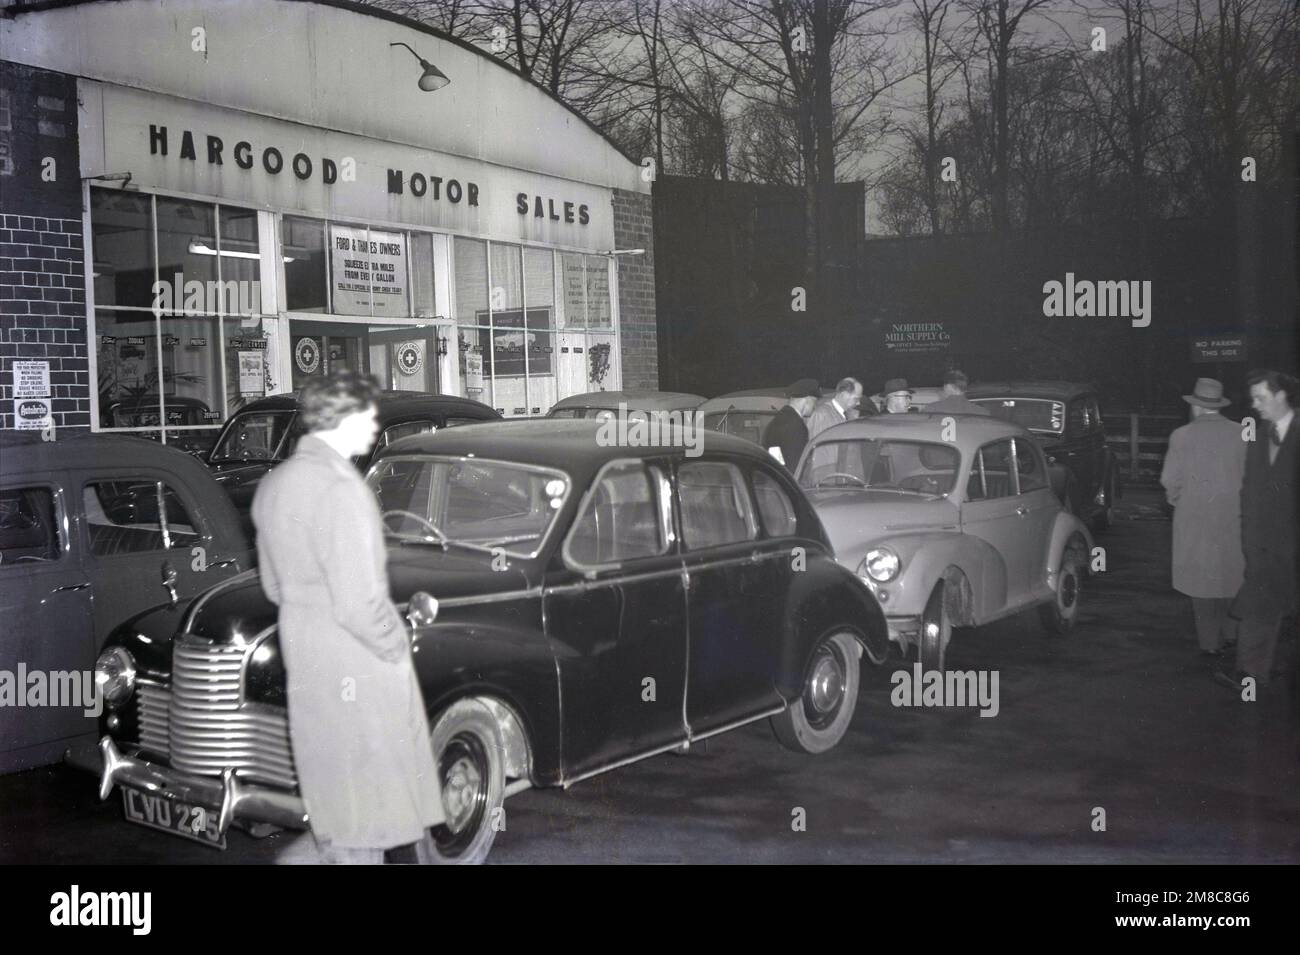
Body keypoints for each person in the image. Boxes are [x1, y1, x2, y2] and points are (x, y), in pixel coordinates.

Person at [253, 371, 444, 863]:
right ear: (343, 418)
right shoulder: (344, 490)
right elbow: (359, 603)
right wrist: (395, 644)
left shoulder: (275, 485)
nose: (375, 425)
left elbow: (274, 586)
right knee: (366, 817)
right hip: (356, 666)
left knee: (338, 810)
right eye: (368, 414)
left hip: (308, 660)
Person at [1217, 369, 1299, 691]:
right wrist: (1250, 544)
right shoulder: (1257, 436)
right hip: (1264, 547)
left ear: (1281, 395)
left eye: (1261, 398)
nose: (1255, 405)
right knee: (1258, 607)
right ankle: (1250, 675)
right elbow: (1248, 494)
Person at [1159, 379, 1246, 657]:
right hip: (1234, 518)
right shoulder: (1240, 433)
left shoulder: (1181, 436)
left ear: (1195, 407)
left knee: (1202, 582)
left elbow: (1170, 480)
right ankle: (1232, 635)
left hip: (1195, 519)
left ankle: (1210, 644)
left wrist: (1177, 500)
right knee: (1232, 575)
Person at [762, 378, 819, 473]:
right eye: (814, 401)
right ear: (807, 400)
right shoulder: (796, 425)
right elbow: (795, 466)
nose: (815, 406)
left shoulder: (779, 419)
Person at [926, 370, 991, 416]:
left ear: (949, 387)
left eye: (944, 387)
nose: (943, 390)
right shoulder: (982, 412)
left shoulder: (932, 409)